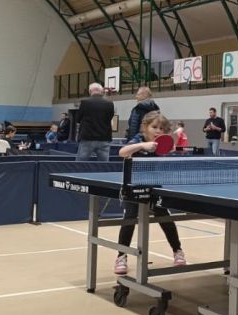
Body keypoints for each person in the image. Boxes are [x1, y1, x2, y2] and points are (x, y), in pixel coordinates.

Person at [114, 111, 187, 275]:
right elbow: (122, 152)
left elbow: (167, 151)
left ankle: (178, 251)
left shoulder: (159, 143)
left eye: (161, 128)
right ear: (145, 127)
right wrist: (142, 146)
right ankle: (121, 256)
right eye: (154, 127)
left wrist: (170, 149)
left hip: (154, 186)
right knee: (129, 219)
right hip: (133, 186)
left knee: (165, 218)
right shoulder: (138, 139)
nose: (158, 131)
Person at [76, 83, 114, 161]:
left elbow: (78, 119)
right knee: (104, 165)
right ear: (101, 91)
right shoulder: (110, 103)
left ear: (90, 91)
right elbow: (110, 118)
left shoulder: (85, 102)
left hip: (87, 138)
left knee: (80, 164)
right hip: (104, 138)